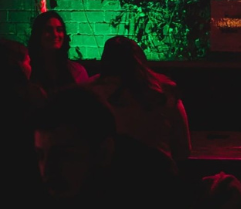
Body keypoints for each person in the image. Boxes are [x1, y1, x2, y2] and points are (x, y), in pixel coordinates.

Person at [32, 84, 181, 207]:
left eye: (64, 155)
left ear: (103, 152)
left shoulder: (155, 182)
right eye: (40, 156)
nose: (47, 169)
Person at [86, 36, 192, 179]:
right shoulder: (166, 91)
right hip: (160, 183)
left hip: (107, 187)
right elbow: (183, 151)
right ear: (140, 59)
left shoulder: (89, 94)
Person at [0, 37, 47, 203]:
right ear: (18, 65)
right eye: (28, 62)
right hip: (27, 164)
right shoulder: (32, 94)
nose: (31, 67)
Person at [27, 10, 89, 94]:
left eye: (59, 30)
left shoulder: (77, 72)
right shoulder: (27, 70)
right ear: (38, 34)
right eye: (48, 30)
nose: (55, 34)